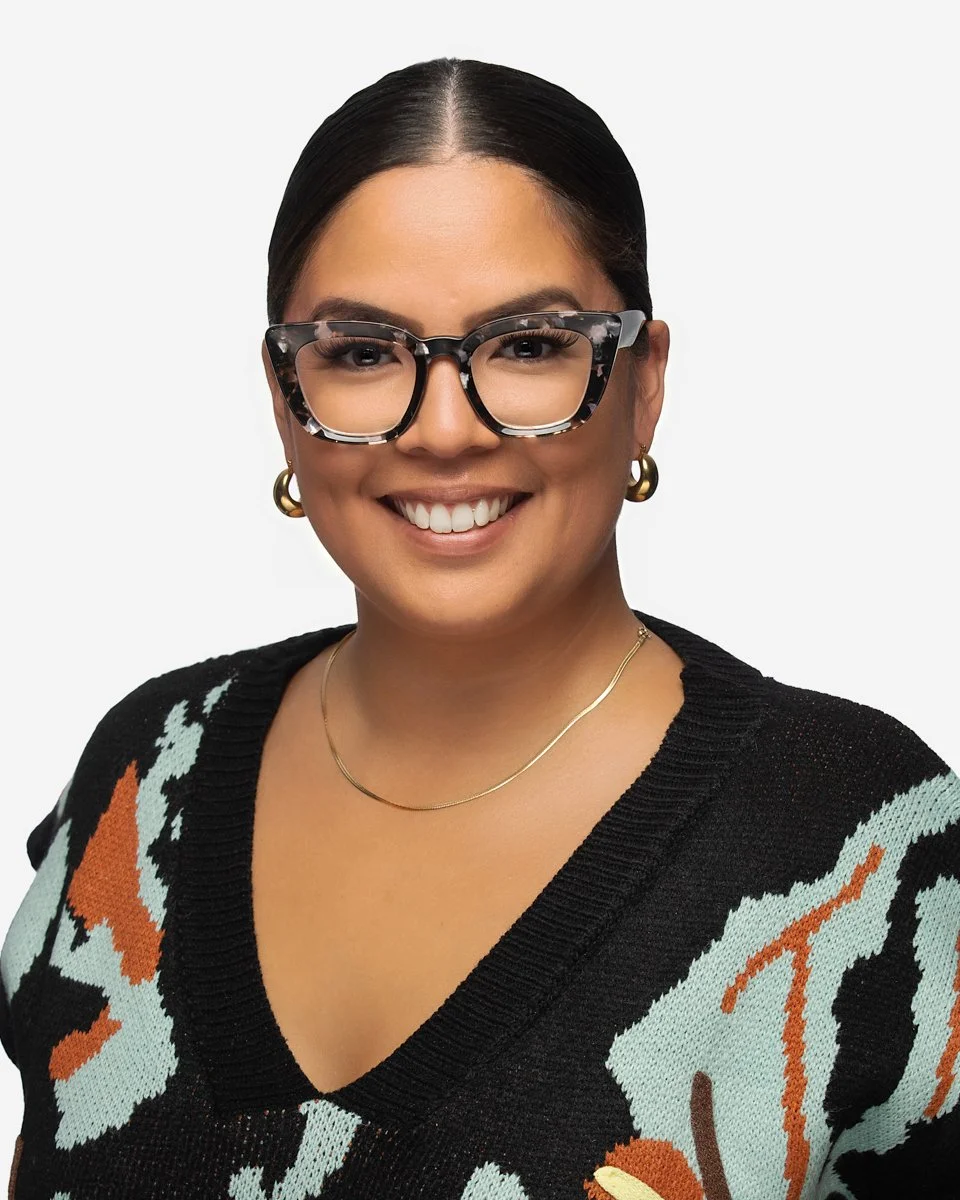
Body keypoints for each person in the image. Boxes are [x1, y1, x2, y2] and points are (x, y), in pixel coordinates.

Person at [1, 56, 957, 1200]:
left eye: (529, 346)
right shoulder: (148, 766)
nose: (445, 430)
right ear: (283, 395)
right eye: (362, 354)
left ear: (643, 382)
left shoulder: (865, 844)